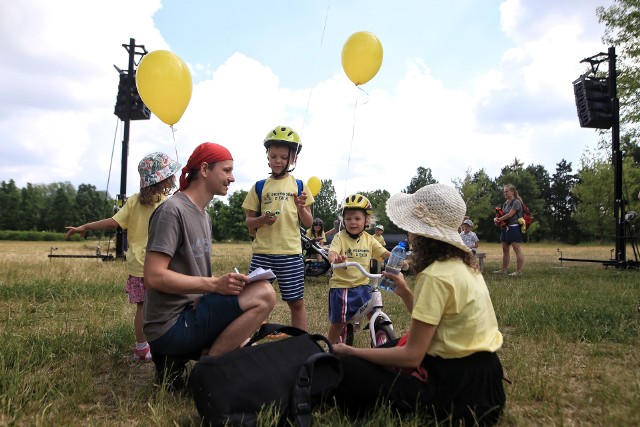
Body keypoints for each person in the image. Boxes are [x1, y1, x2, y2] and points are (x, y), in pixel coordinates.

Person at [332, 184, 505, 426]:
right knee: (382, 352)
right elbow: (438, 322)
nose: (409, 236)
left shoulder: (434, 275)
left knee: (348, 365)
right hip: (487, 385)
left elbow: (412, 356)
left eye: (412, 230)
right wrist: (405, 294)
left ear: (422, 235)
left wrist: (351, 351)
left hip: (455, 391)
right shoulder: (464, 267)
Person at [143, 142, 276, 388]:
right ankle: (207, 372)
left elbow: (191, 274)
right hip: (169, 325)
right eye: (226, 170)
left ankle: (174, 362)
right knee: (264, 295)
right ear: (205, 169)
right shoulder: (172, 211)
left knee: (246, 341)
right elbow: (153, 277)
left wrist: (224, 287)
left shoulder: (203, 215)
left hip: (190, 311)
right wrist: (213, 285)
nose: (232, 178)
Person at [65, 152, 181, 362]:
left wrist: (86, 226)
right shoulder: (168, 203)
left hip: (137, 264)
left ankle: (140, 349)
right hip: (160, 263)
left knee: (142, 307)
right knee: (164, 305)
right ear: (164, 178)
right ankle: (163, 343)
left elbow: (113, 222)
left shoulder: (135, 201)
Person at [242, 126, 314, 331]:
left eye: (283, 156)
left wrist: (301, 208)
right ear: (267, 156)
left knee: (296, 302)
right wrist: (262, 220)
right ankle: (246, 338)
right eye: (273, 155)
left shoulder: (300, 185)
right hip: (262, 253)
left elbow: (308, 223)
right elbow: (249, 222)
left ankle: (301, 343)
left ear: (293, 159)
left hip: (290, 253)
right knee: (251, 301)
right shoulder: (259, 186)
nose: (278, 160)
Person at [327, 194, 393, 344]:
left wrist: (398, 258)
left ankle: (378, 340)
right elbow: (332, 253)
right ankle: (330, 349)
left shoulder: (370, 239)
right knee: (338, 323)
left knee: (373, 314)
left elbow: (384, 253)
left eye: (357, 218)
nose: (352, 222)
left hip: (363, 286)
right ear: (343, 220)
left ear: (366, 221)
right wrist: (335, 259)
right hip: (343, 287)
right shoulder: (340, 237)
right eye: (348, 219)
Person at [493, 183, 525, 276]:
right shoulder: (505, 203)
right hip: (505, 228)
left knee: (516, 249)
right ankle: (504, 269)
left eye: (506, 191)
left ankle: (519, 271)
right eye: (504, 192)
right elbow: (502, 215)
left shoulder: (516, 202)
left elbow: (510, 214)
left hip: (514, 228)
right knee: (505, 249)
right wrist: (496, 219)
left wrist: (500, 219)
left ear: (512, 192)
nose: (505, 193)